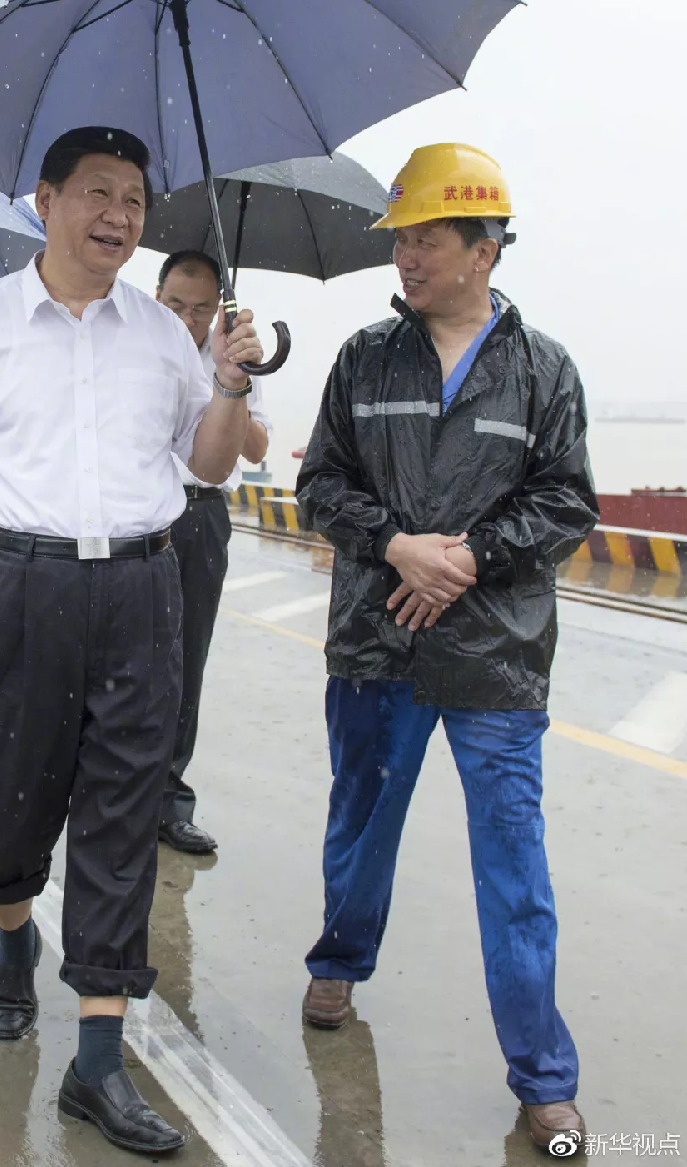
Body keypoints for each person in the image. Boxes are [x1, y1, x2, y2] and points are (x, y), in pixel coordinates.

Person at [0, 127, 263, 1156]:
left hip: (143, 585)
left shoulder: (160, 333)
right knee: (7, 800)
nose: (120, 215)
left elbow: (207, 466)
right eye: (99, 193)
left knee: (123, 808)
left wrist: (228, 382)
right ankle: (13, 938)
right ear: (46, 199)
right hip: (19, 584)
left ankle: (97, 1058)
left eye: (135, 200)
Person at [296, 145, 598, 1154]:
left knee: (513, 866)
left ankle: (542, 1074)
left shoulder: (543, 369)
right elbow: (319, 485)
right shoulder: (363, 359)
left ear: (483, 249)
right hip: (374, 643)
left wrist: (465, 557)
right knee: (359, 825)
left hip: (493, 658)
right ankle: (337, 960)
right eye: (401, 240)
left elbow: (565, 500)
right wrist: (396, 547)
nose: (407, 257)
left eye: (426, 239)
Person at [155, 250, 272, 854]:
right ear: (156, 296)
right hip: (141, 516)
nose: (187, 318)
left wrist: (230, 380)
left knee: (186, 659)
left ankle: (169, 802)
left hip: (201, 516)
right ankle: (108, 793)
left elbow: (257, 449)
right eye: (175, 304)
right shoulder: (136, 344)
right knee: (123, 660)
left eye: (200, 308)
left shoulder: (235, 353)